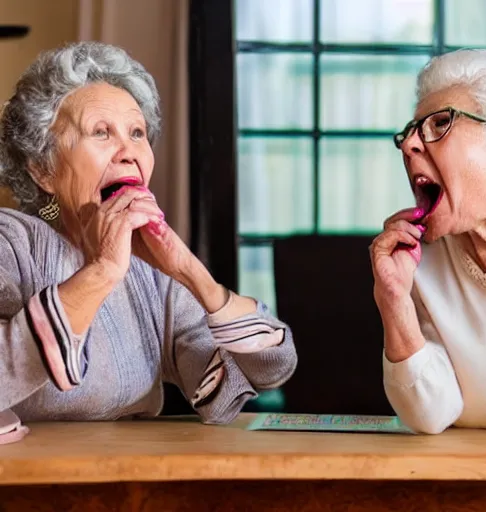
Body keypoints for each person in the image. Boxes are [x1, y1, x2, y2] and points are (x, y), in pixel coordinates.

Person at [0, 42, 297, 442]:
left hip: (139, 477)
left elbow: (270, 369)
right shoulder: (11, 241)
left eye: (137, 132)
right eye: (101, 132)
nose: (128, 152)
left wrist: (189, 271)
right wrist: (102, 270)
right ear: (43, 169)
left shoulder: (149, 264)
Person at [370, 49, 486, 434]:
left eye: (440, 124)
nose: (408, 146)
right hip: (462, 480)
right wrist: (394, 298)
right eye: (410, 133)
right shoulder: (419, 263)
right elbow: (432, 414)